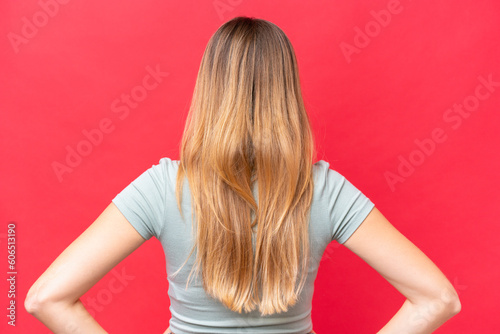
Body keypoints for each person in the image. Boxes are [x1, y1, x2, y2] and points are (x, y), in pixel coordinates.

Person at [25, 16, 461, 334]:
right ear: (286, 93)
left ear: (209, 90)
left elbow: (45, 298)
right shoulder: (324, 191)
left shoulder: (163, 187)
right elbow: (439, 299)